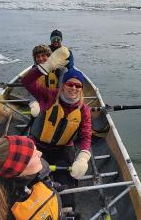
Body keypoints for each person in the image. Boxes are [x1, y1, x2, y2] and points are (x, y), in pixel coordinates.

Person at [21, 66, 92, 203]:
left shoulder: (84, 110)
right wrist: (44, 66)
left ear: (81, 88)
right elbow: (27, 82)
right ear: (63, 85)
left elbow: (86, 134)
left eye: (78, 85)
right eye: (70, 84)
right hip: (38, 147)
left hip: (63, 149)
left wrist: (83, 157)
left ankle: (67, 213)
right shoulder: (49, 96)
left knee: (66, 183)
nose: (74, 88)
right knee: (29, 181)